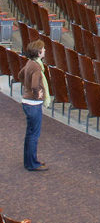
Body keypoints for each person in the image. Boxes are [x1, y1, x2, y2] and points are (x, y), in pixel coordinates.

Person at [17, 39, 51, 171]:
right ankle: (32, 164)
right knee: (34, 135)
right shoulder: (36, 67)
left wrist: (27, 88)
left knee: (30, 134)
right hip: (33, 103)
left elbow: (20, 75)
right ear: (38, 52)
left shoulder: (30, 62)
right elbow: (35, 85)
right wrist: (38, 94)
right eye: (43, 49)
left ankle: (30, 161)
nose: (45, 50)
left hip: (27, 102)